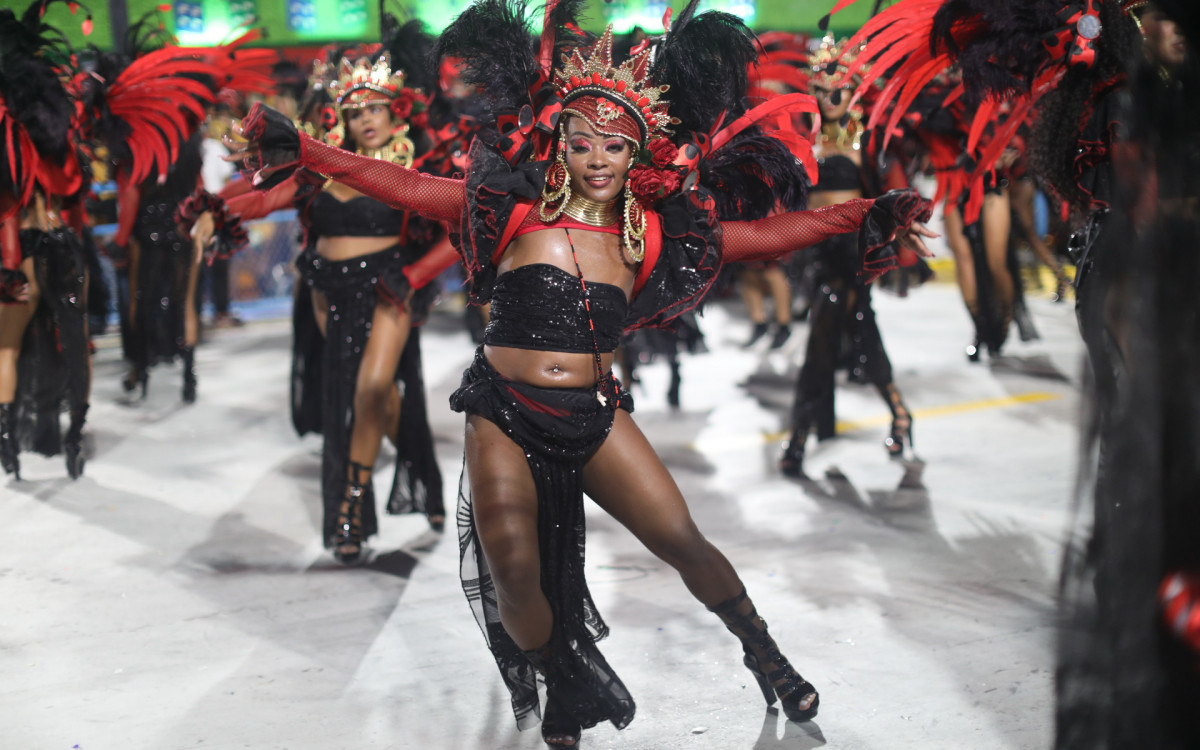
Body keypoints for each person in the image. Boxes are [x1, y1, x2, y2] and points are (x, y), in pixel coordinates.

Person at [226, 1, 934, 744]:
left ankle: (767, 656)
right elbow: (396, 183)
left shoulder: (653, 235)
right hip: (502, 409)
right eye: (584, 142)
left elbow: (767, 234)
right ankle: (560, 675)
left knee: (681, 538)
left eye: (615, 146)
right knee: (512, 566)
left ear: (638, 156)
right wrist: (305, 149)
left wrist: (866, 212)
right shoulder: (511, 211)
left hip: (593, 414)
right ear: (560, 143)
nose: (598, 158)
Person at [184, 36, 449, 561]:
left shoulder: (415, 169)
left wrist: (415, 275)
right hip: (329, 290)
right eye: (356, 111)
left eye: (375, 108)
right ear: (342, 119)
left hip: (388, 288)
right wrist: (216, 211)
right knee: (375, 398)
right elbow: (266, 197)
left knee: (371, 390)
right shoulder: (323, 168)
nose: (366, 119)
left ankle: (350, 507)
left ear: (395, 112)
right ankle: (421, 469)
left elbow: (458, 229)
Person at [778, 34, 917, 477]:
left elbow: (889, 194)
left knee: (824, 338)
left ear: (854, 90)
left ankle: (799, 436)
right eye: (821, 90)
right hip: (817, 251)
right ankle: (899, 412)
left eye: (838, 89)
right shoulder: (806, 140)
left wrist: (900, 228)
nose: (829, 97)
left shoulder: (868, 141)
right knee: (859, 331)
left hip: (854, 253)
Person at [0, 2, 92, 480]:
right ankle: (75, 438)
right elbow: (76, 191)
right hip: (61, 248)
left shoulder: (7, 148)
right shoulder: (58, 142)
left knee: (7, 350)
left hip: (19, 253)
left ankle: (8, 447)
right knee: (76, 345)